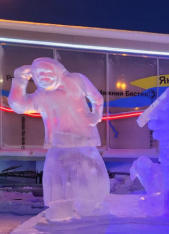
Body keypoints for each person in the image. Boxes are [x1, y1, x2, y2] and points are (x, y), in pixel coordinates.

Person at [8, 58, 109, 221]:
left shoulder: (77, 80)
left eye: (48, 72)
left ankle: (92, 204)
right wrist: (19, 79)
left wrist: (97, 115)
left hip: (83, 141)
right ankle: (61, 207)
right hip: (59, 144)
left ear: (58, 72)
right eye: (40, 73)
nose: (44, 77)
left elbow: (97, 98)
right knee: (56, 175)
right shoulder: (41, 95)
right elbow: (19, 105)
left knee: (89, 172)